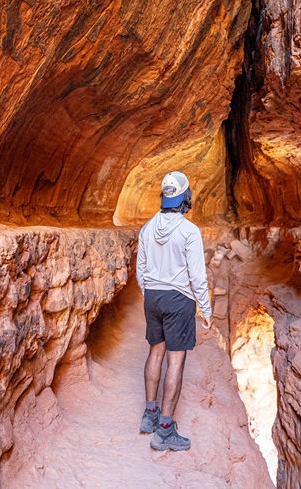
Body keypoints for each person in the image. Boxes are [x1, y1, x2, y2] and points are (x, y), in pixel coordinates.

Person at [136, 171, 212, 451]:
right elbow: (197, 275)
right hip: (178, 299)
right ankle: (165, 431)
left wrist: (149, 294)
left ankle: (149, 414)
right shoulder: (189, 231)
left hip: (153, 297)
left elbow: (140, 269)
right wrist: (205, 308)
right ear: (185, 198)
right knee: (175, 362)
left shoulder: (147, 228)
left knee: (155, 352)